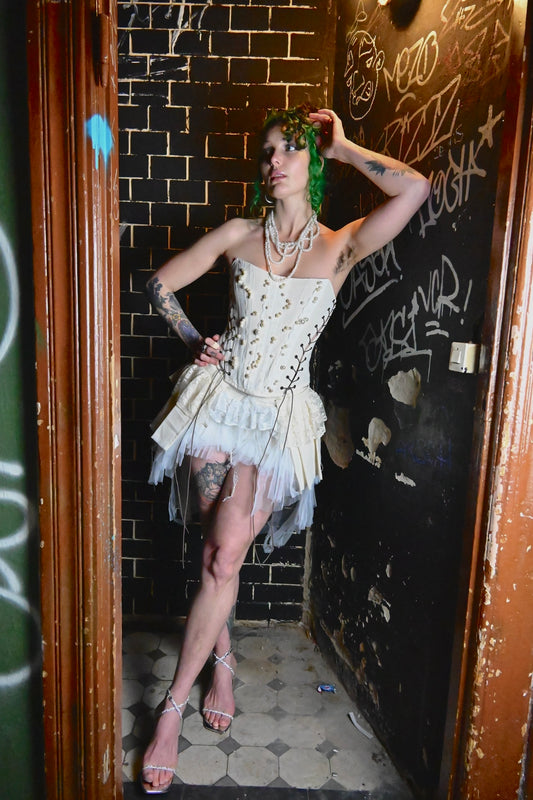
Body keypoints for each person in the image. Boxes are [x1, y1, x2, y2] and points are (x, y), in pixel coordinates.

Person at [140, 105, 430, 793]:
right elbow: (159, 285)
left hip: (276, 423)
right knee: (214, 549)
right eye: (267, 151)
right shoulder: (239, 234)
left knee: (224, 554)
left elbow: (415, 189)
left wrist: (345, 147)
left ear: (312, 162)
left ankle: (170, 709)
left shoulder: (340, 247)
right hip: (216, 406)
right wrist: (195, 341)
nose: (274, 161)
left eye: (290, 149)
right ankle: (222, 659)